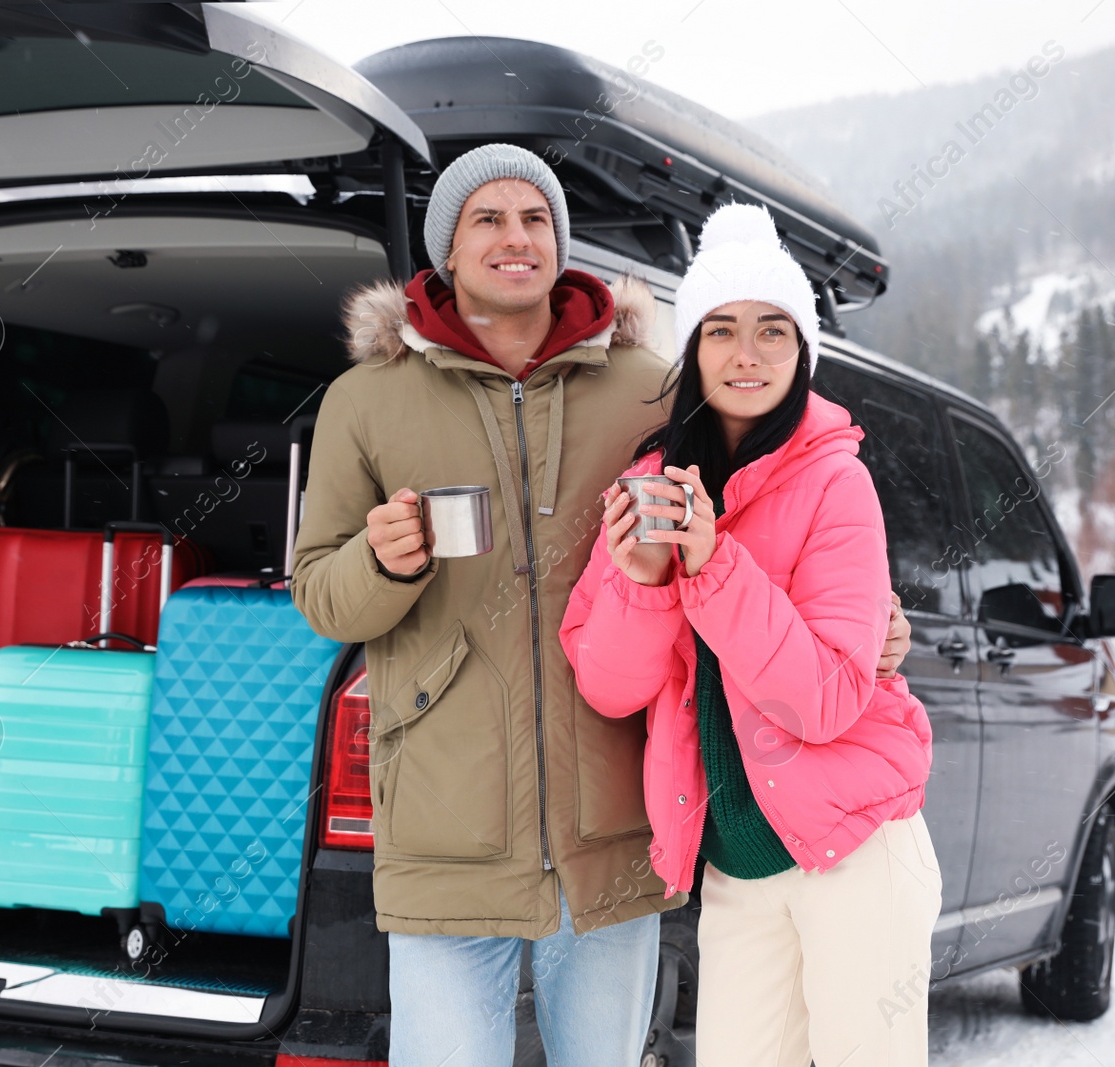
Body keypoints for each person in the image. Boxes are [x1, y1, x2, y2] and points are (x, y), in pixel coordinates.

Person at [293, 145, 915, 1066]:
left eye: (537, 218)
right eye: (489, 220)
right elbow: (318, 591)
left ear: (562, 240)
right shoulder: (365, 401)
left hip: (616, 824)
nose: (517, 238)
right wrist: (380, 566)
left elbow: (759, 497)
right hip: (447, 830)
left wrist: (874, 624)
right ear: (447, 253)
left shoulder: (646, 388)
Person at [559, 202, 941, 1067]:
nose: (748, 353)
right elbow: (610, 685)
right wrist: (647, 580)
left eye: (773, 331)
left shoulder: (838, 483)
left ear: (802, 350)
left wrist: (714, 564)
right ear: (692, 351)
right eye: (722, 330)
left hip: (854, 852)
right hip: (737, 864)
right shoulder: (650, 485)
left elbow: (828, 696)